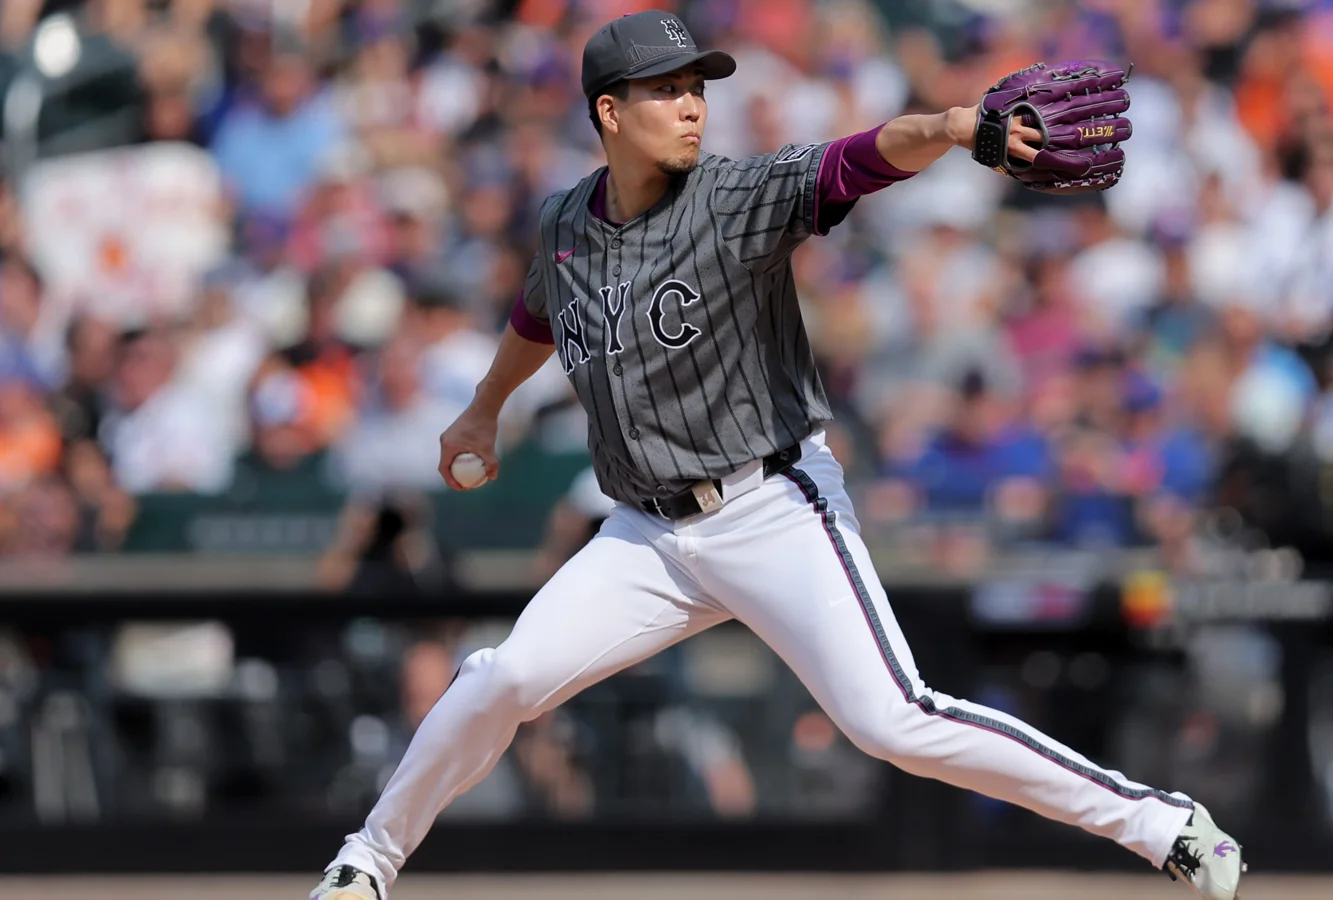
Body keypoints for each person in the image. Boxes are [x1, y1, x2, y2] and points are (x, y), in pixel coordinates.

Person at [311, 12, 1244, 900]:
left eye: (696, 88)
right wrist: (483, 408)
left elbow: (855, 160)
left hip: (771, 506)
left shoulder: (731, 198)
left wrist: (951, 126)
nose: (691, 106)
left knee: (892, 720)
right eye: (666, 90)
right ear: (609, 112)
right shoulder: (565, 224)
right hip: (644, 535)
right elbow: (537, 311)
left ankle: (1159, 822)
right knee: (502, 677)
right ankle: (365, 865)